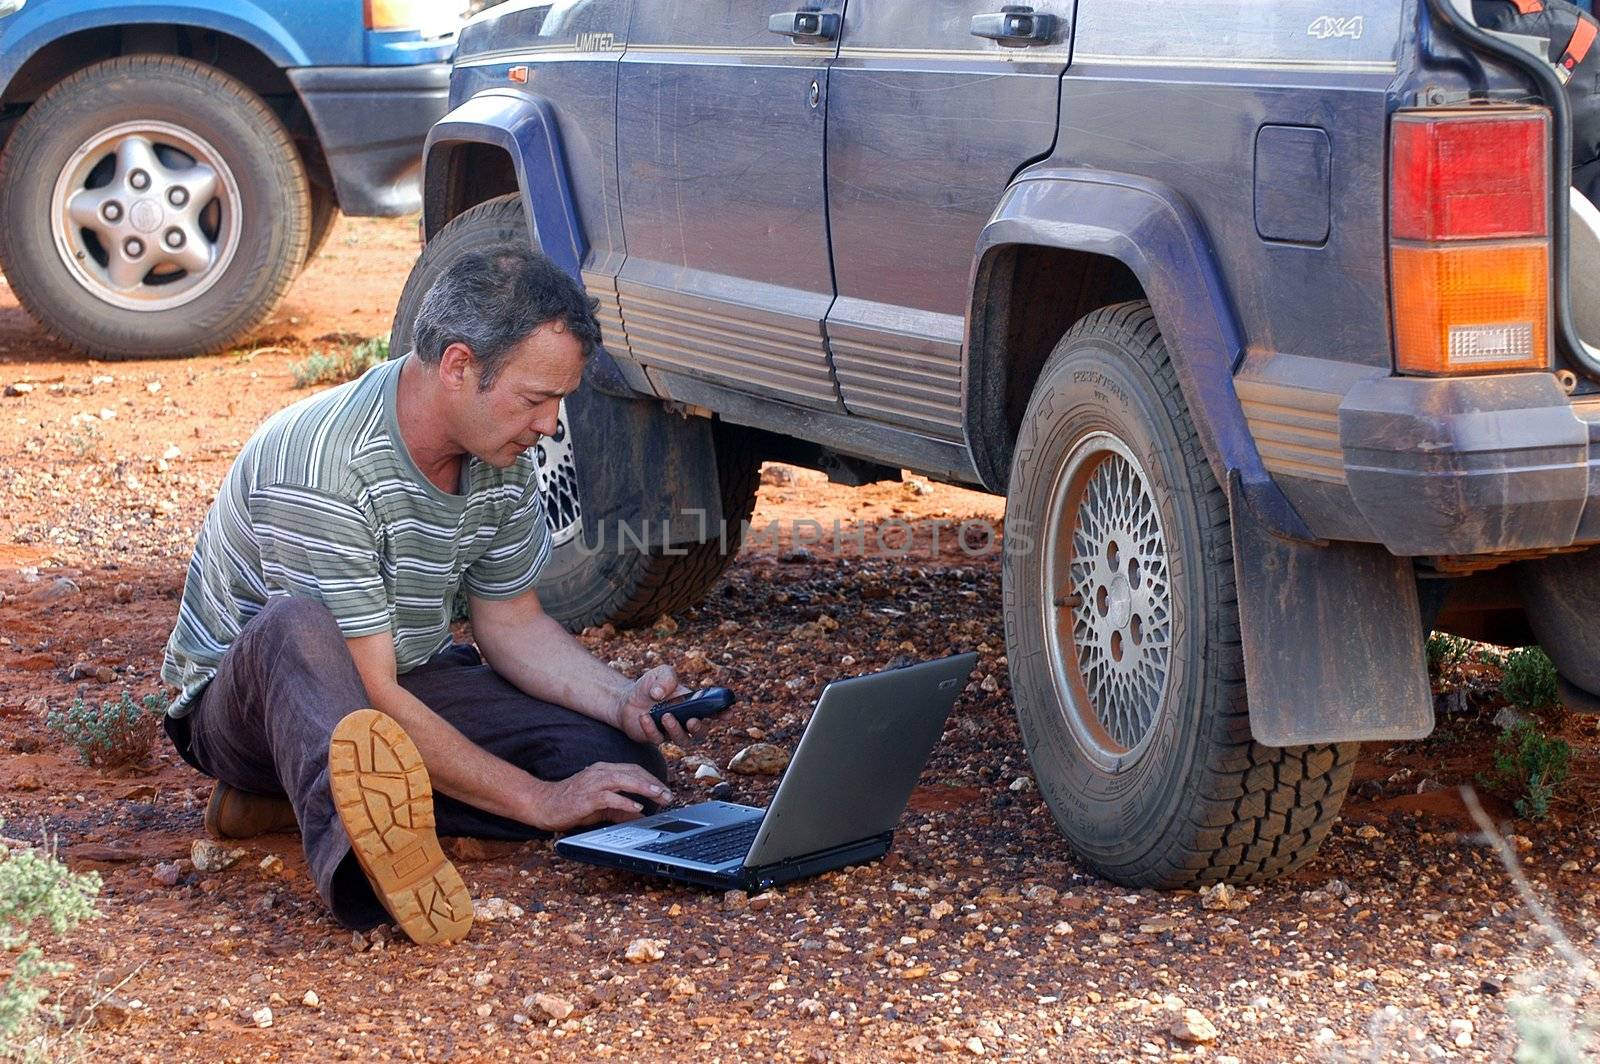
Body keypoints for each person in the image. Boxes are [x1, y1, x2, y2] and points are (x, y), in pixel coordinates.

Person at [159, 245, 725, 943]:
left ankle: (295, 800)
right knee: (299, 627)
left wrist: (620, 699)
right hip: (259, 705)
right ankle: (362, 861)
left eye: (559, 402)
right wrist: (539, 800)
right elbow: (367, 689)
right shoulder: (323, 463)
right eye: (536, 399)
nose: (550, 425)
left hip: (399, 677)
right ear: (459, 366)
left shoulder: (502, 451)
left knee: (622, 775)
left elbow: (511, 621)